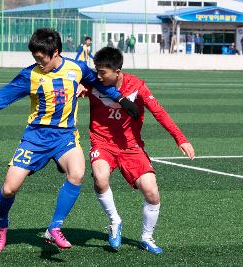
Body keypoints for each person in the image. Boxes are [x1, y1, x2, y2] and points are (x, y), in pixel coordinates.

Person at [0, 28, 139, 253]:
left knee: (77, 173)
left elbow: (99, 83)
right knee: (10, 189)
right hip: (36, 138)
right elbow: (3, 96)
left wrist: (121, 99)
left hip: (65, 136)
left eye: (41, 58)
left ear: (56, 52)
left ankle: (54, 227)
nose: (38, 62)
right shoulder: (30, 75)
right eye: (35, 58)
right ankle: (2, 224)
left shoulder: (76, 68)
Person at [80, 47, 195, 254]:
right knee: (100, 178)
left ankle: (146, 237)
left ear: (117, 71)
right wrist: (79, 87)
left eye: (102, 72)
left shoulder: (137, 86)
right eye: (96, 71)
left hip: (131, 146)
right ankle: (115, 221)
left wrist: (180, 139)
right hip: (102, 142)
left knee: (152, 192)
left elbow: (159, 113)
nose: (98, 76)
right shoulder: (94, 84)